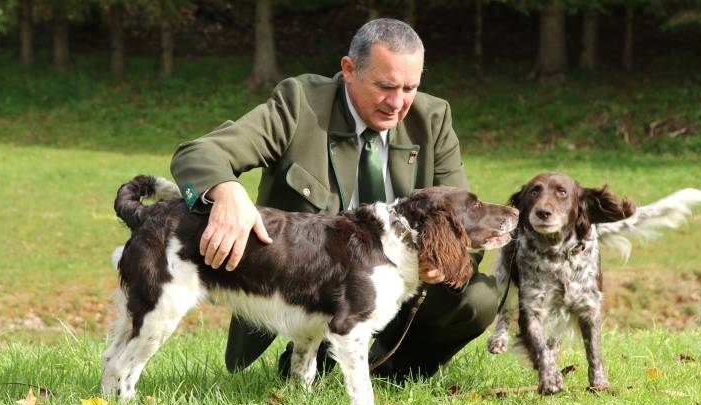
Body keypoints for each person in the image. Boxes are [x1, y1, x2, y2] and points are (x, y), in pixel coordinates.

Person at [170, 18, 500, 380]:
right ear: (349, 69)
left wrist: (441, 262)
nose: (397, 102)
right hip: (308, 294)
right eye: (386, 86)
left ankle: (394, 371)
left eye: (410, 87)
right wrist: (227, 191)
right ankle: (313, 361)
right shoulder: (300, 104)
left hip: (402, 286)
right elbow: (197, 154)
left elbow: (465, 223)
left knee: (478, 298)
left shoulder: (433, 118)